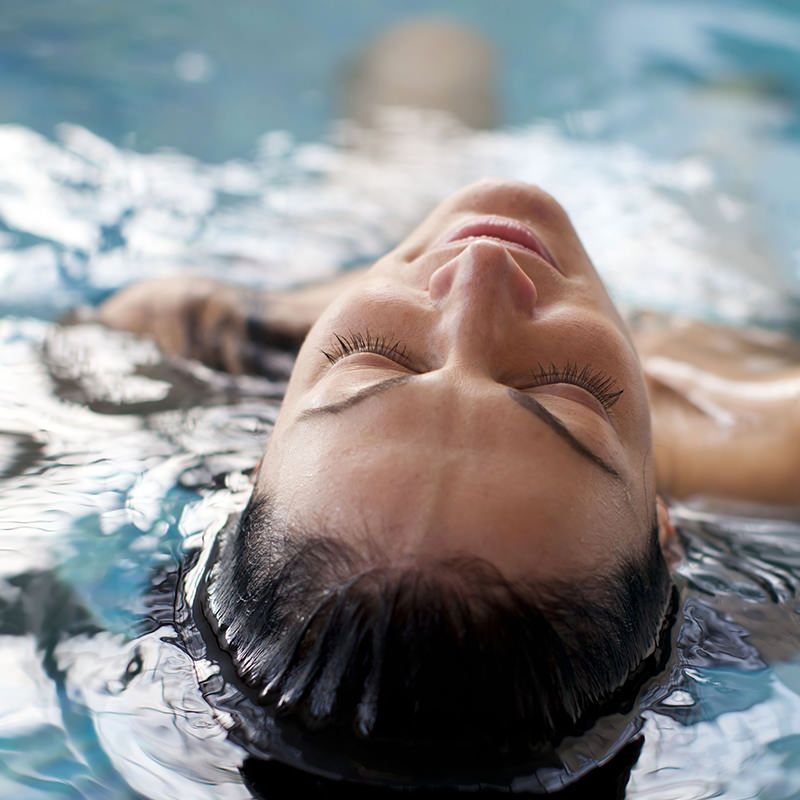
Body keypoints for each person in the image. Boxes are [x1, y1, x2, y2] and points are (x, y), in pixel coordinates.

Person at [96, 179, 800, 793]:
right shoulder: (774, 443)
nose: (481, 271)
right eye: (567, 394)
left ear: (254, 467)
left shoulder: (175, 347)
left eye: (372, 360)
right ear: (662, 525)